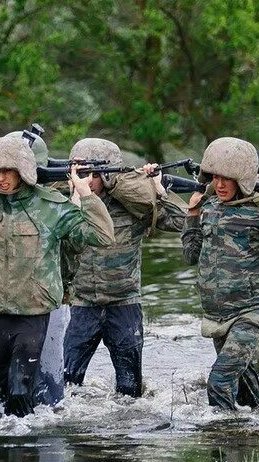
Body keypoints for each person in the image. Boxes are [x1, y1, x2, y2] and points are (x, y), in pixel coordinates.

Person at [0, 134, 114, 417]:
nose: (2, 178)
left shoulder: (50, 207)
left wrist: (84, 192)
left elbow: (102, 236)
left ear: (23, 171)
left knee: (19, 394)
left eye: (8, 171)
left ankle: (24, 456)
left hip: (31, 315)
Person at [182, 138, 259, 410]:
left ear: (243, 179)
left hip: (251, 312)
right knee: (245, 384)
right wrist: (192, 214)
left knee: (219, 381)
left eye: (228, 178)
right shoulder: (209, 208)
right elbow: (191, 255)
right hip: (217, 314)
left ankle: (224, 439)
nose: (220, 184)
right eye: (216, 177)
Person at [61, 137, 186, 397]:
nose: (85, 181)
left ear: (107, 175)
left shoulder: (132, 206)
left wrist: (160, 191)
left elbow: (183, 222)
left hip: (124, 305)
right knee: (65, 385)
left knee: (130, 391)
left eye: (91, 175)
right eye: (79, 174)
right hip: (83, 305)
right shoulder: (67, 205)